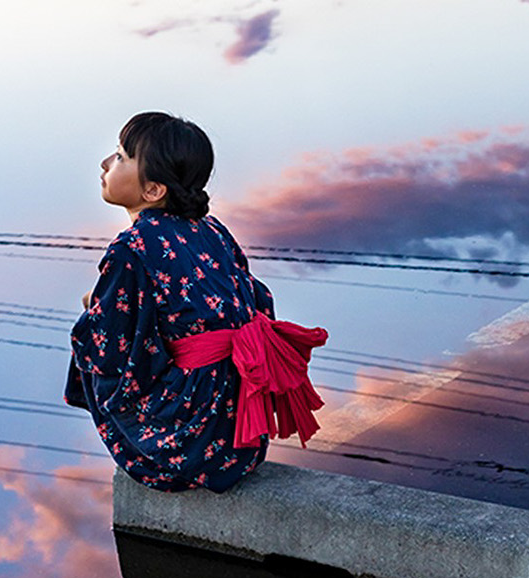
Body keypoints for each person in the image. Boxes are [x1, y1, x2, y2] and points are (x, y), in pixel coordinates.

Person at [65, 111, 330, 492]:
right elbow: (254, 301)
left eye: (122, 156)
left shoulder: (131, 248)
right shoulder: (212, 229)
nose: (106, 163)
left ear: (153, 190)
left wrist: (96, 305)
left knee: (94, 336)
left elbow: (112, 347)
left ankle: (151, 450)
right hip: (238, 431)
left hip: (189, 443)